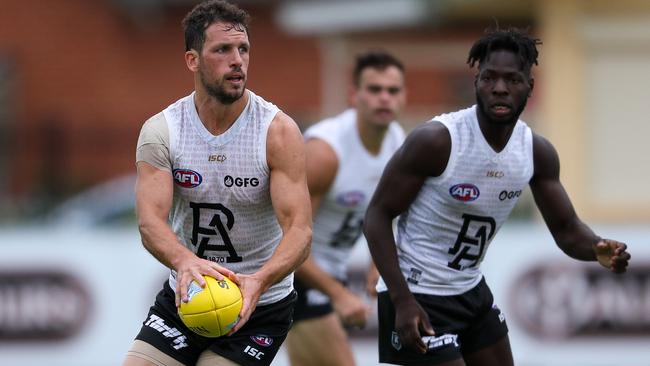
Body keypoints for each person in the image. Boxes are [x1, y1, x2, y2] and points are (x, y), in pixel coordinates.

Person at [363, 27, 631, 366]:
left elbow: (566, 230)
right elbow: (377, 214)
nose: (500, 89)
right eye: (489, 78)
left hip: (470, 292)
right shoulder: (437, 141)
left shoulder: (535, 152)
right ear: (476, 82)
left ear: (530, 87)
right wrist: (401, 300)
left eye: (512, 80)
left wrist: (596, 248)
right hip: (417, 295)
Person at [123, 1, 312, 365]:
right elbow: (150, 223)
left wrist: (260, 279)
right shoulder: (162, 131)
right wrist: (185, 261)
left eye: (243, 49)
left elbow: (300, 231)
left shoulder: (277, 131)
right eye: (222, 50)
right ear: (193, 60)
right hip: (191, 296)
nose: (237, 60)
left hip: (261, 304)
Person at [284, 51, 407, 366]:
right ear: (355, 95)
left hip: (328, 275)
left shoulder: (397, 142)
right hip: (291, 275)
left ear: (403, 97)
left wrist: (376, 264)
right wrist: (337, 295)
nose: (384, 99)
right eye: (374, 89)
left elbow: (384, 212)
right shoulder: (326, 152)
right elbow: (282, 238)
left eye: (392, 91)